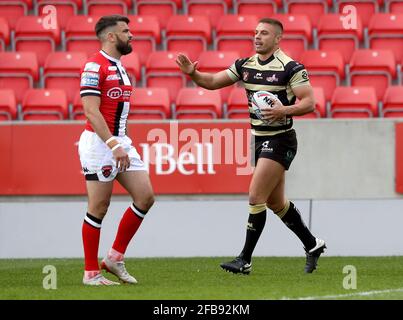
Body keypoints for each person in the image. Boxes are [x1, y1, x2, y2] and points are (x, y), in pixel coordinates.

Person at [176, 18, 326, 274]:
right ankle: (312, 244)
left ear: (277, 39)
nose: (257, 37)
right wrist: (192, 73)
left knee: (255, 195)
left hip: (281, 138)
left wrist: (284, 110)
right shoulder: (245, 65)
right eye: (256, 32)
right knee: (276, 204)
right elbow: (212, 82)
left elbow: (309, 102)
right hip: (259, 139)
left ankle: (244, 259)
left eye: (264, 33)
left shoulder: (291, 67)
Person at [78, 15, 154, 285]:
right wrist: (112, 144)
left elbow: (118, 111)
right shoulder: (93, 65)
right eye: (125, 31)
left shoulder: (120, 67)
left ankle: (113, 258)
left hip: (120, 141)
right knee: (99, 206)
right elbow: (91, 110)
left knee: (145, 196)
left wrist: (122, 143)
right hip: (100, 144)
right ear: (111, 36)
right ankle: (91, 273)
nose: (131, 35)